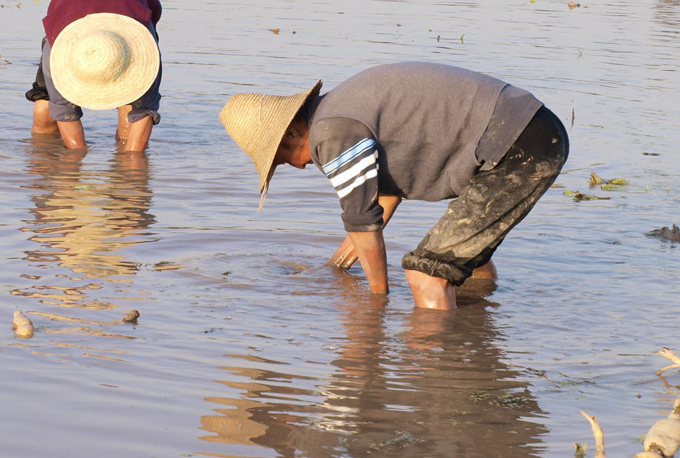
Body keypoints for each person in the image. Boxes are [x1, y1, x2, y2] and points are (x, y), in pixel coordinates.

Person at [220, 62, 569, 310]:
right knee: (465, 258)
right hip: (530, 129)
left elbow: (362, 221)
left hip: (515, 144)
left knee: (426, 273)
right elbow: (383, 198)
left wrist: (376, 304)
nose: (296, 166)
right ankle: (474, 335)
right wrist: (337, 268)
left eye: (281, 159)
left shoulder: (331, 133)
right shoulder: (341, 109)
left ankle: (438, 376)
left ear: (292, 132)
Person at [27, 0, 163, 152]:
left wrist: (132, 166)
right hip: (71, 11)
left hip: (132, 11)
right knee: (43, 112)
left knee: (131, 112)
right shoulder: (55, 54)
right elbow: (64, 112)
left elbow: (144, 112)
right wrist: (75, 161)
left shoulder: (146, 55)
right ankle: (43, 162)